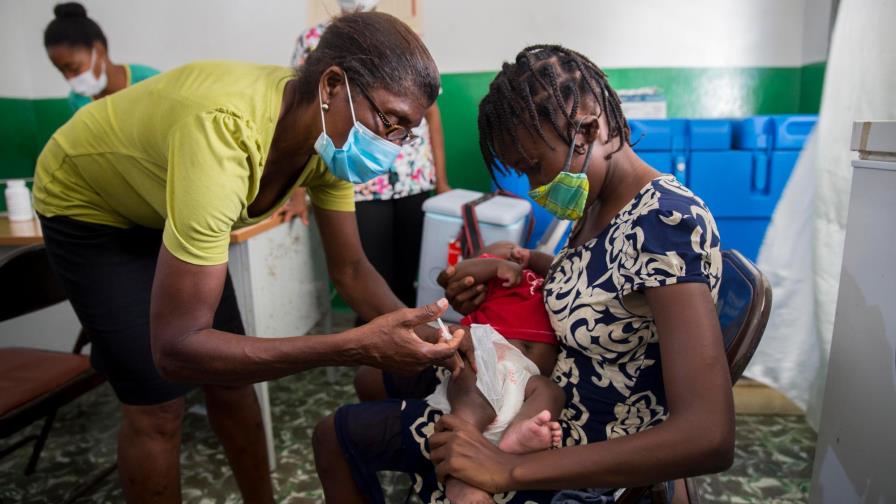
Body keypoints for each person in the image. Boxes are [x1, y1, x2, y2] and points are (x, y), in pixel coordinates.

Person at [32, 12, 468, 504]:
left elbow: (350, 269)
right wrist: (352, 345)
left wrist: (433, 334)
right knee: (158, 405)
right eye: (389, 121)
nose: (392, 147)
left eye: (405, 133)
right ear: (332, 85)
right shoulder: (225, 133)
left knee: (233, 380)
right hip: (89, 207)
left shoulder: (328, 138)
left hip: (159, 199)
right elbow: (177, 348)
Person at [313, 45, 734, 503]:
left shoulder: (666, 222)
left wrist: (508, 469)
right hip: (534, 393)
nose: (534, 188)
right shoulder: (597, 205)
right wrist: (499, 284)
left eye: (534, 167)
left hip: (568, 444)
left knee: (335, 436)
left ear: (588, 130)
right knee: (374, 377)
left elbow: (708, 436)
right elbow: (601, 288)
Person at [283, 0, 450, 327]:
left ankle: (407, 347)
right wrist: (298, 191)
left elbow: (430, 113)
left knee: (408, 275)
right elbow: (306, 109)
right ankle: (373, 349)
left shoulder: (403, 39)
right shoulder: (313, 39)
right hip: (357, 179)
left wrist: (441, 181)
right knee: (370, 277)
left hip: (413, 178)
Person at [412, 249, 566, 503]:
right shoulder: (497, 275)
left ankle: (520, 432)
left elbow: (559, 264)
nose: (512, 250)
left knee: (551, 393)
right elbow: (456, 273)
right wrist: (496, 265)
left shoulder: (553, 282)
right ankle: (458, 477)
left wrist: (533, 258)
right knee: (472, 398)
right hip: (485, 357)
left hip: (526, 375)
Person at [44, 2, 159, 111]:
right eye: (61, 71)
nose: (69, 78)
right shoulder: (77, 101)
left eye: (74, 67)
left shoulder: (151, 81)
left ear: (99, 50)